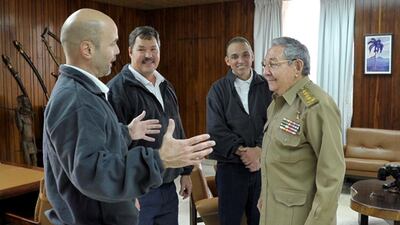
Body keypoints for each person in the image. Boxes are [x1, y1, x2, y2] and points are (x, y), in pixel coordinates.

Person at [43, 8, 215, 225]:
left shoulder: (86, 93)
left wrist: (125, 132)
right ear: (87, 49)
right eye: (112, 43)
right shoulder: (76, 100)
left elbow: (96, 143)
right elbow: (93, 173)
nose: (116, 52)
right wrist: (159, 159)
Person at [107, 26, 192, 225]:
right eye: (141, 49)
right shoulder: (116, 90)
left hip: (168, 186)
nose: (148, 55)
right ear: (129, 51)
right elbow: (113, 145)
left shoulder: (166, 85)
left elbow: (176, 128)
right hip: (138, 190)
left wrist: (186, 172)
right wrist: (126, 191)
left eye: (153, 49)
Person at [258, 36, 345, 225]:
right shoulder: (277, 104)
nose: (265, 72)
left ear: (297, 67)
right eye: (264, 64)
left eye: (273, 64)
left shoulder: (317, 105)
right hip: (272, 212)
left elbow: (332, 175)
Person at [206, 36, 272, 225]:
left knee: (261, 220)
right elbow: (215, 129)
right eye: (234, 56)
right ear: (227, 61)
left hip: (263, 168)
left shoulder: (268, 86)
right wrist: (244, 152)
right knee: (230, 220)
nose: (240, 60)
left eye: (245, 55)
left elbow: (274, 122)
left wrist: (259, 150)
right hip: (230, 170)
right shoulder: (217, 90)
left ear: (252, 56)